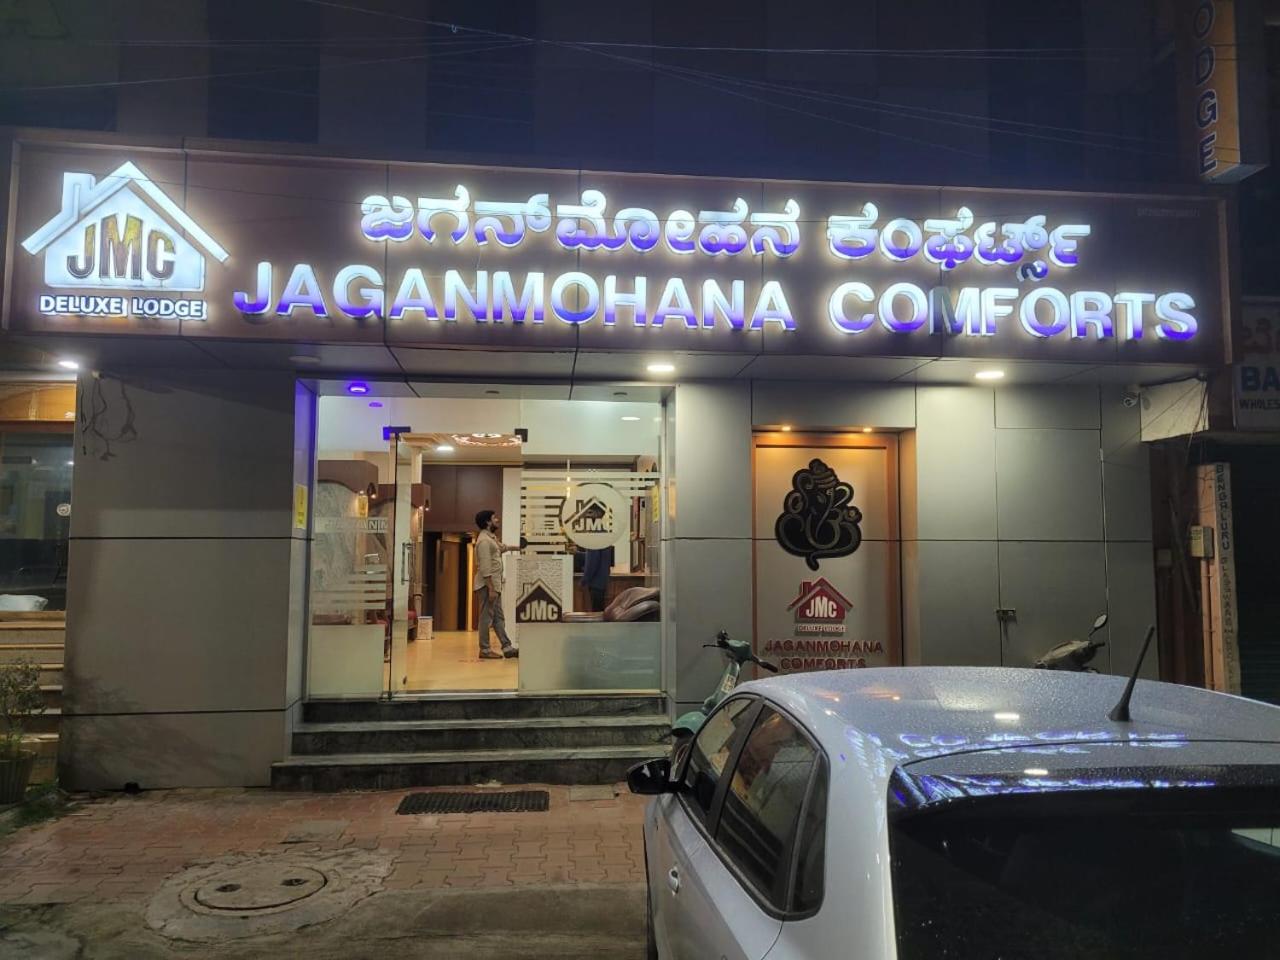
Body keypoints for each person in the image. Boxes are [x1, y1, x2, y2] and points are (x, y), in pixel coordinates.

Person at [474, 509, 520, 660]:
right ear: (488, 522)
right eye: (494, 518)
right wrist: (491, 589)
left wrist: (518, 547)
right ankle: (485, 650)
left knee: (498, 618)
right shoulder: (484, 541)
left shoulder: (491, 538)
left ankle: (507, 647)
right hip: (488, 586)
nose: (497, 520)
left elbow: (502, 548)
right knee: (486, 618)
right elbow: (485, 567)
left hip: (494, 586)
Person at [582, 546, 614, 613]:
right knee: (599, 611)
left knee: (596, 611)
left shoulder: (593, 545)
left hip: (595, 582)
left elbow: (591, 565)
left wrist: (584, 580)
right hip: (602, 581)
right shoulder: (605, 544)